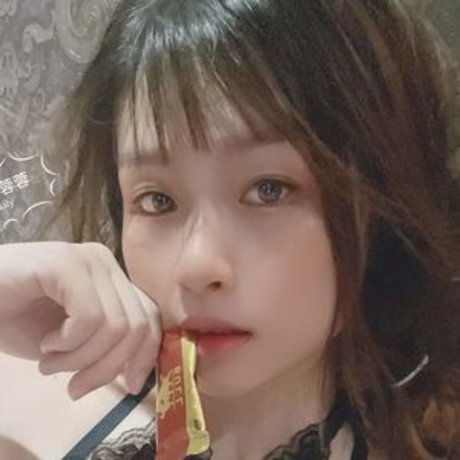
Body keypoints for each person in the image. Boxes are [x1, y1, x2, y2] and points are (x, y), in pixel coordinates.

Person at [0, 0, 459, 458]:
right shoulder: (30, 404)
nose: (197, 266)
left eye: (269, 190)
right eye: (157, 200)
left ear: (377, 208)